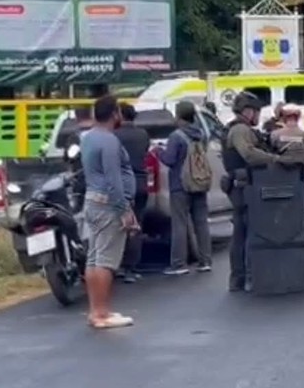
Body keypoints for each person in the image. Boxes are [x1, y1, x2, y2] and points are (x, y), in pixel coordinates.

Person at [223, 91, 302, 292]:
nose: (258, 116)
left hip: (247, 185)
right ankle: (244, 276)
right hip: (244, 187)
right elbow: (249, 154)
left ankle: (242, 277)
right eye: (256, 111)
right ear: (248, 111)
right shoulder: (240, 130)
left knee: (245, 231)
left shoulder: (243, 129)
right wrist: (275, 159)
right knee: (248, 232)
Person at [79, 95, 138, 329]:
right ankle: (101, 314)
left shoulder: (88, 138)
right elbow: (113, 178)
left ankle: (96, 310)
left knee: (94, 257)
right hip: (108, 203)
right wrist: (124, 209)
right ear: (115, 114)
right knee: (106, 260)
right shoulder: (109, 141)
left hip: (92, 200)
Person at [157, 101, 212, 276]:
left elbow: (170, 160)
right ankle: (205, 261)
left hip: (180, 185)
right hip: (199, 181)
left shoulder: (176, 136)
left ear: (179, 116)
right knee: (201, 222)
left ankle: (178, 263)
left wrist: (158, 152)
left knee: (180, 224)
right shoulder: (201, 134)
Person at [115, 102, 151, 283]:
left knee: (118, 226)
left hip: (121, 185)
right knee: (136, 226)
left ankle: (119, 264)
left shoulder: (113, 136)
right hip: (141, 184)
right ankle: (131, 267)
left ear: (120, 116)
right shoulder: (142, 134)